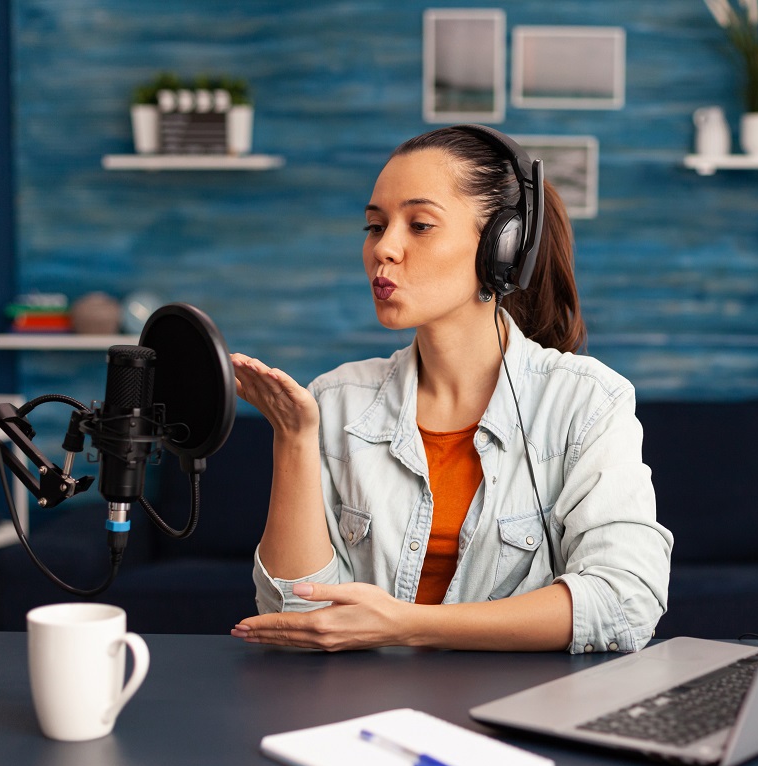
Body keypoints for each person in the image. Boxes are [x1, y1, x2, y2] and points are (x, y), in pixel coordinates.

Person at [229, 125, 672, 654]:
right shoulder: (334, 400)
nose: (384, 248)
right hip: (362, 700)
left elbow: (625, 603)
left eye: (419, 225)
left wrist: (405, 624)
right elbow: (293, 621)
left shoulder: (588, 401)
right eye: (375, 226)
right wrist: (294, 438)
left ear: (503, 247)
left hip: (519, 700)